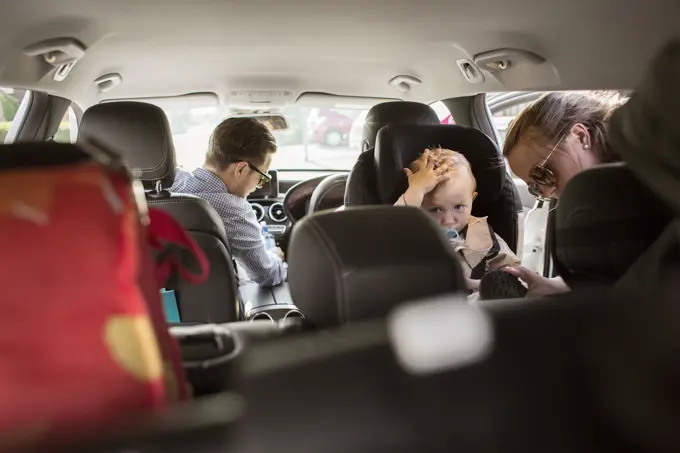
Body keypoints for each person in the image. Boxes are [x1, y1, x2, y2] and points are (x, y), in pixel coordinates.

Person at [502, 91, 627, 296]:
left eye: (543, 173)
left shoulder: (652, 179)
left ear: (579, 136)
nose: (549, 192)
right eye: (535, 187)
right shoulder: (594, 207)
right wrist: (554, 285)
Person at [170, 117, 286, 287]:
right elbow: (267, 275)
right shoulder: (233, 209)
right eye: (262, 178)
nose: (257, 186)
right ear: (241, 169)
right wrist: (277, 256)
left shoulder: (167, 183)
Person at [395, 148, 520, 294]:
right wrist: (416, 190)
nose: (449, 221)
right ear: (418, 205)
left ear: (472, 200)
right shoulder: (408, 234)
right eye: (436, 209)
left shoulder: (483, 236)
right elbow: (392, 228)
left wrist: (485, 285)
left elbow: (513, 274)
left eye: (459, 207)